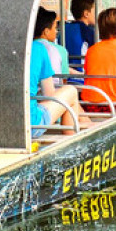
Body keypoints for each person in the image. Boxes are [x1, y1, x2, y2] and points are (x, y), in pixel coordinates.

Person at [31, 7, 89, 135]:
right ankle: (71, 141)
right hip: (31, 122)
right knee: (71, 91)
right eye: (54, 27)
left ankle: (86, 123)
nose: (56, 31)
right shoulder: (42, 49)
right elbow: (50, 93)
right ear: (46, 31)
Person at [64, 0, 96, 70]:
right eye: (94, 11)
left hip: (64, 73)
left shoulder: (64, 28)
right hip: (81, 75)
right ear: (86, 14)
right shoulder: (87, 31)